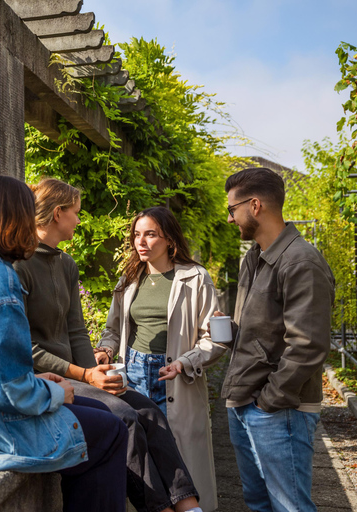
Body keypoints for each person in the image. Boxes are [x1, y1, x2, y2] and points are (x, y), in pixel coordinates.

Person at [0, 175, 129, 512]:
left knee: (98, 412)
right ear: (18, 218)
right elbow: (8, 389)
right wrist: (55, 392)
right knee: (111, 431)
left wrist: (38, 382)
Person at [15, 178, 202, 512]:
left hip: (79, 375)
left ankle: (190, 508)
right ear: (58, 214)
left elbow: (75, 330)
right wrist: (87, 377)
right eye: (75, 212)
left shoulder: (66, 264)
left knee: (149, 411)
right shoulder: (20, 265)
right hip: (48, 380)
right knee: (124, 417)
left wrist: (97, 372)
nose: (79, 219)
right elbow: (25, 348)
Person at [95, 206, 225, 511]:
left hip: (173, 375)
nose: (141, 242)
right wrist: (105, 350)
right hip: (132, 374)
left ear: (169, 239)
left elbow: (216, 339)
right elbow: (112, 329)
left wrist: (185, 362)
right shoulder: (128, 279)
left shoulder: (195, 278)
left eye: (150, 234)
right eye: (137, 235)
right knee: (141, 457)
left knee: (176, 457)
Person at [220, 167, 335, 512]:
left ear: (255, 205)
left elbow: (309, 344)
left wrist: (269, 401)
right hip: (244, 401)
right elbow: (259, 333)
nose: (229, 219)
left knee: (290, 507)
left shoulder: (301, 261)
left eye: (232, 209)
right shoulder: (253, 259)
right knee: (259, 503)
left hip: (280, 410)